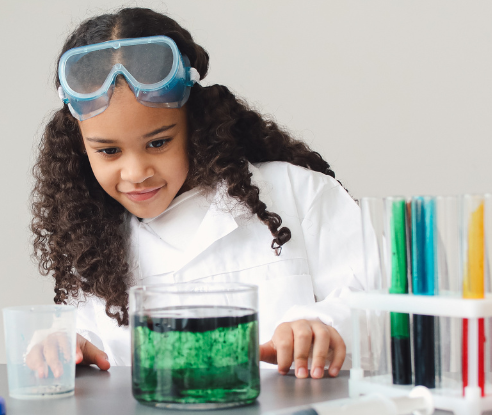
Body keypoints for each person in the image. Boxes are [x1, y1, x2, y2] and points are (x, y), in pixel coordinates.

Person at [28, 7, 365, 381]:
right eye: (109, 151)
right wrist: (66, 344)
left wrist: (322, 323)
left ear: (194, 122)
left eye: (158, 142)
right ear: (80, 148)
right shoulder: (92, 248)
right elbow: (93, 347)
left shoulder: (298, 194)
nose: (136, 173)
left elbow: (386, 299)